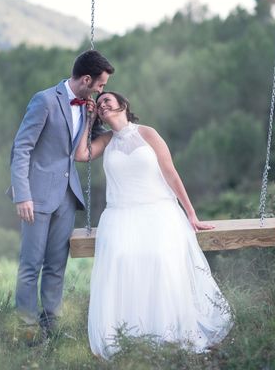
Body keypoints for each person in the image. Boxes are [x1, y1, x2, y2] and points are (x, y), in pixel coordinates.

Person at [75, 91, 234, 358]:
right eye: (99, 104)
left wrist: (191, 214)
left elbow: (170, 173)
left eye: (107, 101)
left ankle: (169, 335)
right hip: (121, 214)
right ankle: (130, 335)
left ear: (122, 105)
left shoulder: (147, 133)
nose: (102, 105)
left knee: (160, 259)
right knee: (121, 259)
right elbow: (81, 154)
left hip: (158, 210)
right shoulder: (106, 140)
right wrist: (89, 120)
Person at [8, 50, 115, 343]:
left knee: (56, 266)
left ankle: (51, 326)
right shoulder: (44, 100)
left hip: (68, 198)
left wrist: (102, 121)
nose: (101, 89)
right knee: (31, 265)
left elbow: (83, 147)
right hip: (37, 197)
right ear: (86, 79)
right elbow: (21, 149)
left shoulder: (87, 106)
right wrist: (22, 195)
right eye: (101, 84)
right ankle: (27, 329)